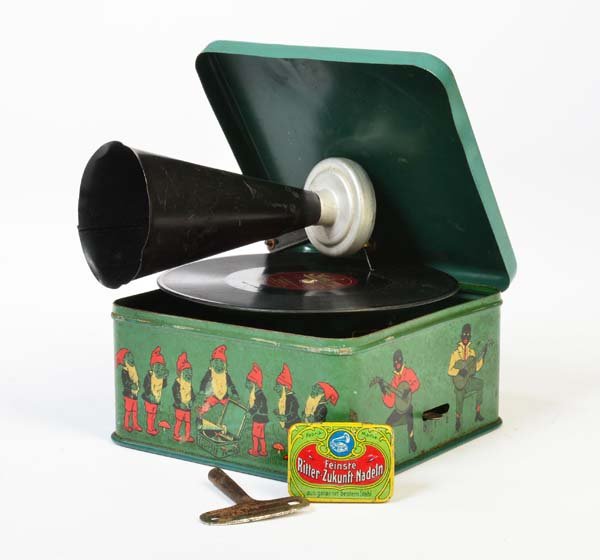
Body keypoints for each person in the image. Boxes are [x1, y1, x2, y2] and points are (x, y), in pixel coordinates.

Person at [374, 349, 420, 453]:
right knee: (387, 424)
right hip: (399, 409)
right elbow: (390, 403)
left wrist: (409, 389)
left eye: (399, 361)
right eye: (395, 362)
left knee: (410, 418)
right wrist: (383, 389)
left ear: (402, 361)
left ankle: (411, 440)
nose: (397, 364)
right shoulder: (394, 381)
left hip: (407, 406)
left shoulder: (408, 372)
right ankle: (388, 446)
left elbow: (416, 383)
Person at [447, 324, 487, 431]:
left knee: (480, 384)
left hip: (468, 381)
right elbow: (450, 370)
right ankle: (458, 420)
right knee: (459, 396)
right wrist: (459, 371)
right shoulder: (455, 353)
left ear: (470, 337)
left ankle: (477, 412)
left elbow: (476, 368)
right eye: (464, 335)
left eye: (468, 335)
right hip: (459, 383)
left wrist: (483, 357)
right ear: (461, 336)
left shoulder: (472, 352)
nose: (466, 337)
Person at [246, 363, 268, 456]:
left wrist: (250, 413)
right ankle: (263, 451)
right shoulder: (257, 394)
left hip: (259, 419)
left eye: (249, 382)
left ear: (255, 384)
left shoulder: (259, 395)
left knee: (255, 436)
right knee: (261, 436)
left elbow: (256, 406)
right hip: (262, 419)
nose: (247, 384)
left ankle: (255, 451)